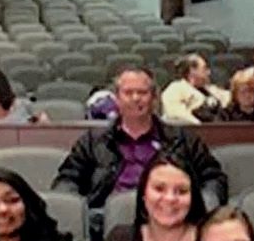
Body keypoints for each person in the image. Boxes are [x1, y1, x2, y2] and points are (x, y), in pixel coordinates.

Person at [52, 66, 229, 217]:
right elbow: (67, 179)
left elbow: (213, 177)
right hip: (106, 220)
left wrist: (203, 204)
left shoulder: (182, 139)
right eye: (128, 93)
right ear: (117, 99)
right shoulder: (92, 141)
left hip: (170, 216)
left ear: (153, 98)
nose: (136, 98)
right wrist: (73, 210)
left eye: (142, 92)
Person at [160, 53, 229, 124]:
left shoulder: (211, 89)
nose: (209, 73)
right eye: (204, 69)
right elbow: (174, 113)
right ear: (192, 71)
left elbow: (229, 98)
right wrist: (200, 126)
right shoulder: (175, 89)